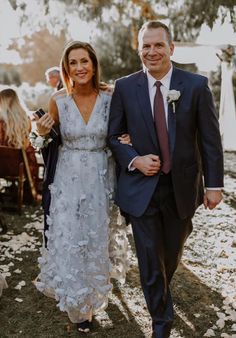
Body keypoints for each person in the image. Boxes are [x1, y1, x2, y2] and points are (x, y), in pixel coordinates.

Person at [108, 20, 224, 338]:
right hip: (140, 190)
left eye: (158, 45)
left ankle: (160, 295)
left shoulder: (196, 86)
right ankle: (161, 321)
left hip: (182, 188)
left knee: (168, 257)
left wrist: (214, 185)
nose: (152, 51)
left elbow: (210, 141)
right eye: (146, 45)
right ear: (139, 50)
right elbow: (114, 135)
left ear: (171, 48)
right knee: (148, 257)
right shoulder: (125, 86)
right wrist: (134, 159)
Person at [33, 41, 130, 333]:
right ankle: (79, 308)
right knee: (72, 238)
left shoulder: (112, 97)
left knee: (96, 238)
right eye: (73, 63)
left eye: (84, 61)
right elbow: (45, 142)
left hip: (101, 178)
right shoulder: (57, 100)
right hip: (67, 181)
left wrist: (128, 140)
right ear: (66, 68)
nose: (79, 68)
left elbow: (122, 131)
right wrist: (40, 133)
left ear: (94, 64)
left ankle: (93, 292)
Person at [0, 88, 39, 196]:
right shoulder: (26, 120)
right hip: (21, 166)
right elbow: (27, 143)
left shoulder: (1, 121)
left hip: (2, 165)